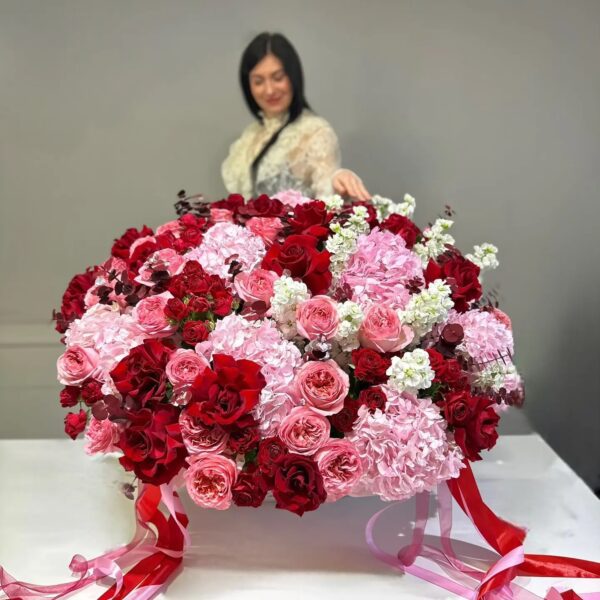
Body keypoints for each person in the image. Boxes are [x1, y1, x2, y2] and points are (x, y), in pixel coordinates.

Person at [222, 32, 370, 201]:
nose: (269, 90)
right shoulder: (251, 135)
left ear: (293, 77)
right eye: (258, 81)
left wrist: (338, 179)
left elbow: (327, 195)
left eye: (278, 78)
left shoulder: (314, 132)